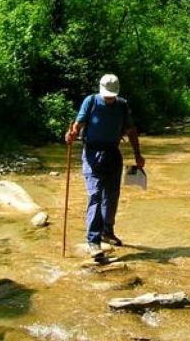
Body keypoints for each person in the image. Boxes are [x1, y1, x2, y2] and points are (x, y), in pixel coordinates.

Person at [65, 74, 145, 259]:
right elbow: (79, 124)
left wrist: (137, 154)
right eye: (107, 95)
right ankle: (93, 241)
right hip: (92, 154)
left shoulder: (122, 105)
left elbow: (131, 131)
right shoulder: (91, 101)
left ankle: (107, 232)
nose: (109, 98)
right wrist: (72, 134)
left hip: (112, 153)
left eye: (112, 95)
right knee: (95, 195)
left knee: (112, 196)